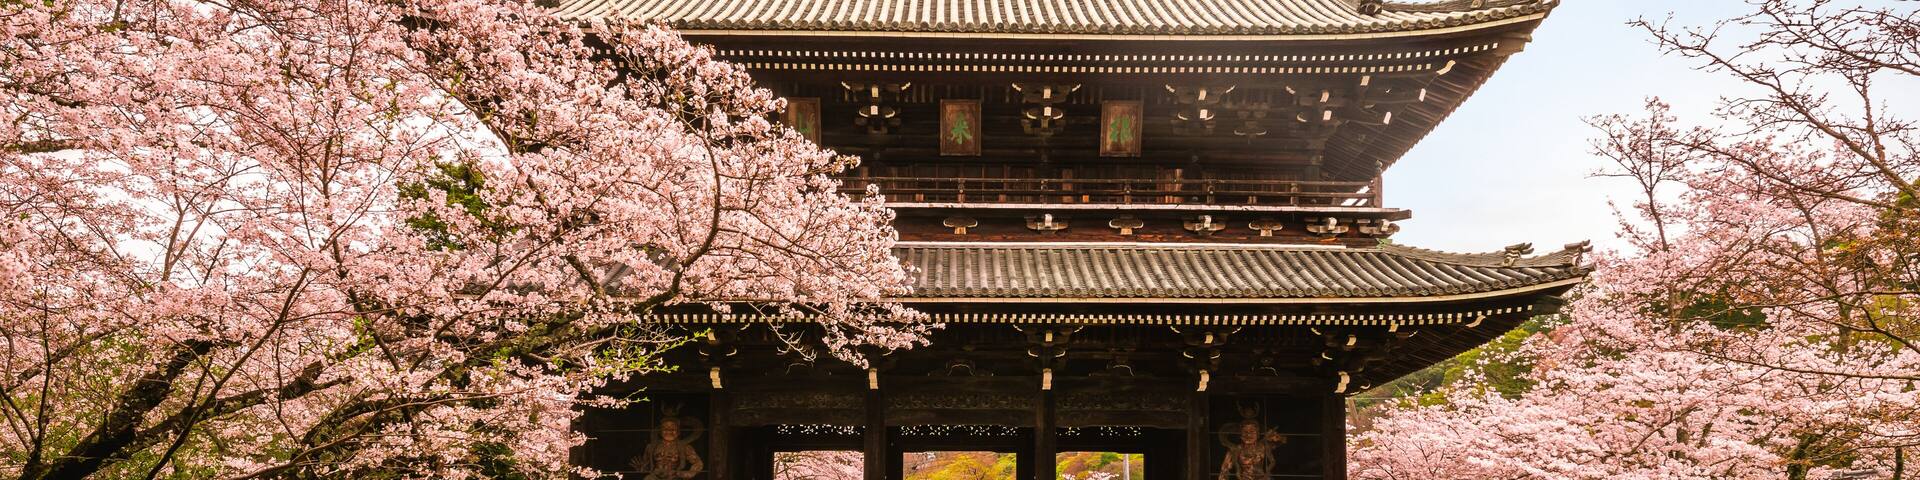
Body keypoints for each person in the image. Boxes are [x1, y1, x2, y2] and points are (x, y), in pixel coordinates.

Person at [632, 418, 703, 479]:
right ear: (660, 431)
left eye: (673, 429)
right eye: (665, 428)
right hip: (655, 477)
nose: (669, 431)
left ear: (678, 432)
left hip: (674, 477)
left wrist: (687, 474)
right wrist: (643, 468)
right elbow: (647, 465)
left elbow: (698, 463)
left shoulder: (684, 447)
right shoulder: (651, 447)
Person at [1217, 420, 1283, 480]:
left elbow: (1281, 441)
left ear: (1258, 434)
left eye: (1252, 432)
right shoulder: (1235, 449)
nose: (1248, 435)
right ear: (1240, 435)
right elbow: (1224, 472)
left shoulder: (1263, 447)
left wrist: (1267, 473)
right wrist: (1238, 471)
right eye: (1245, 432)